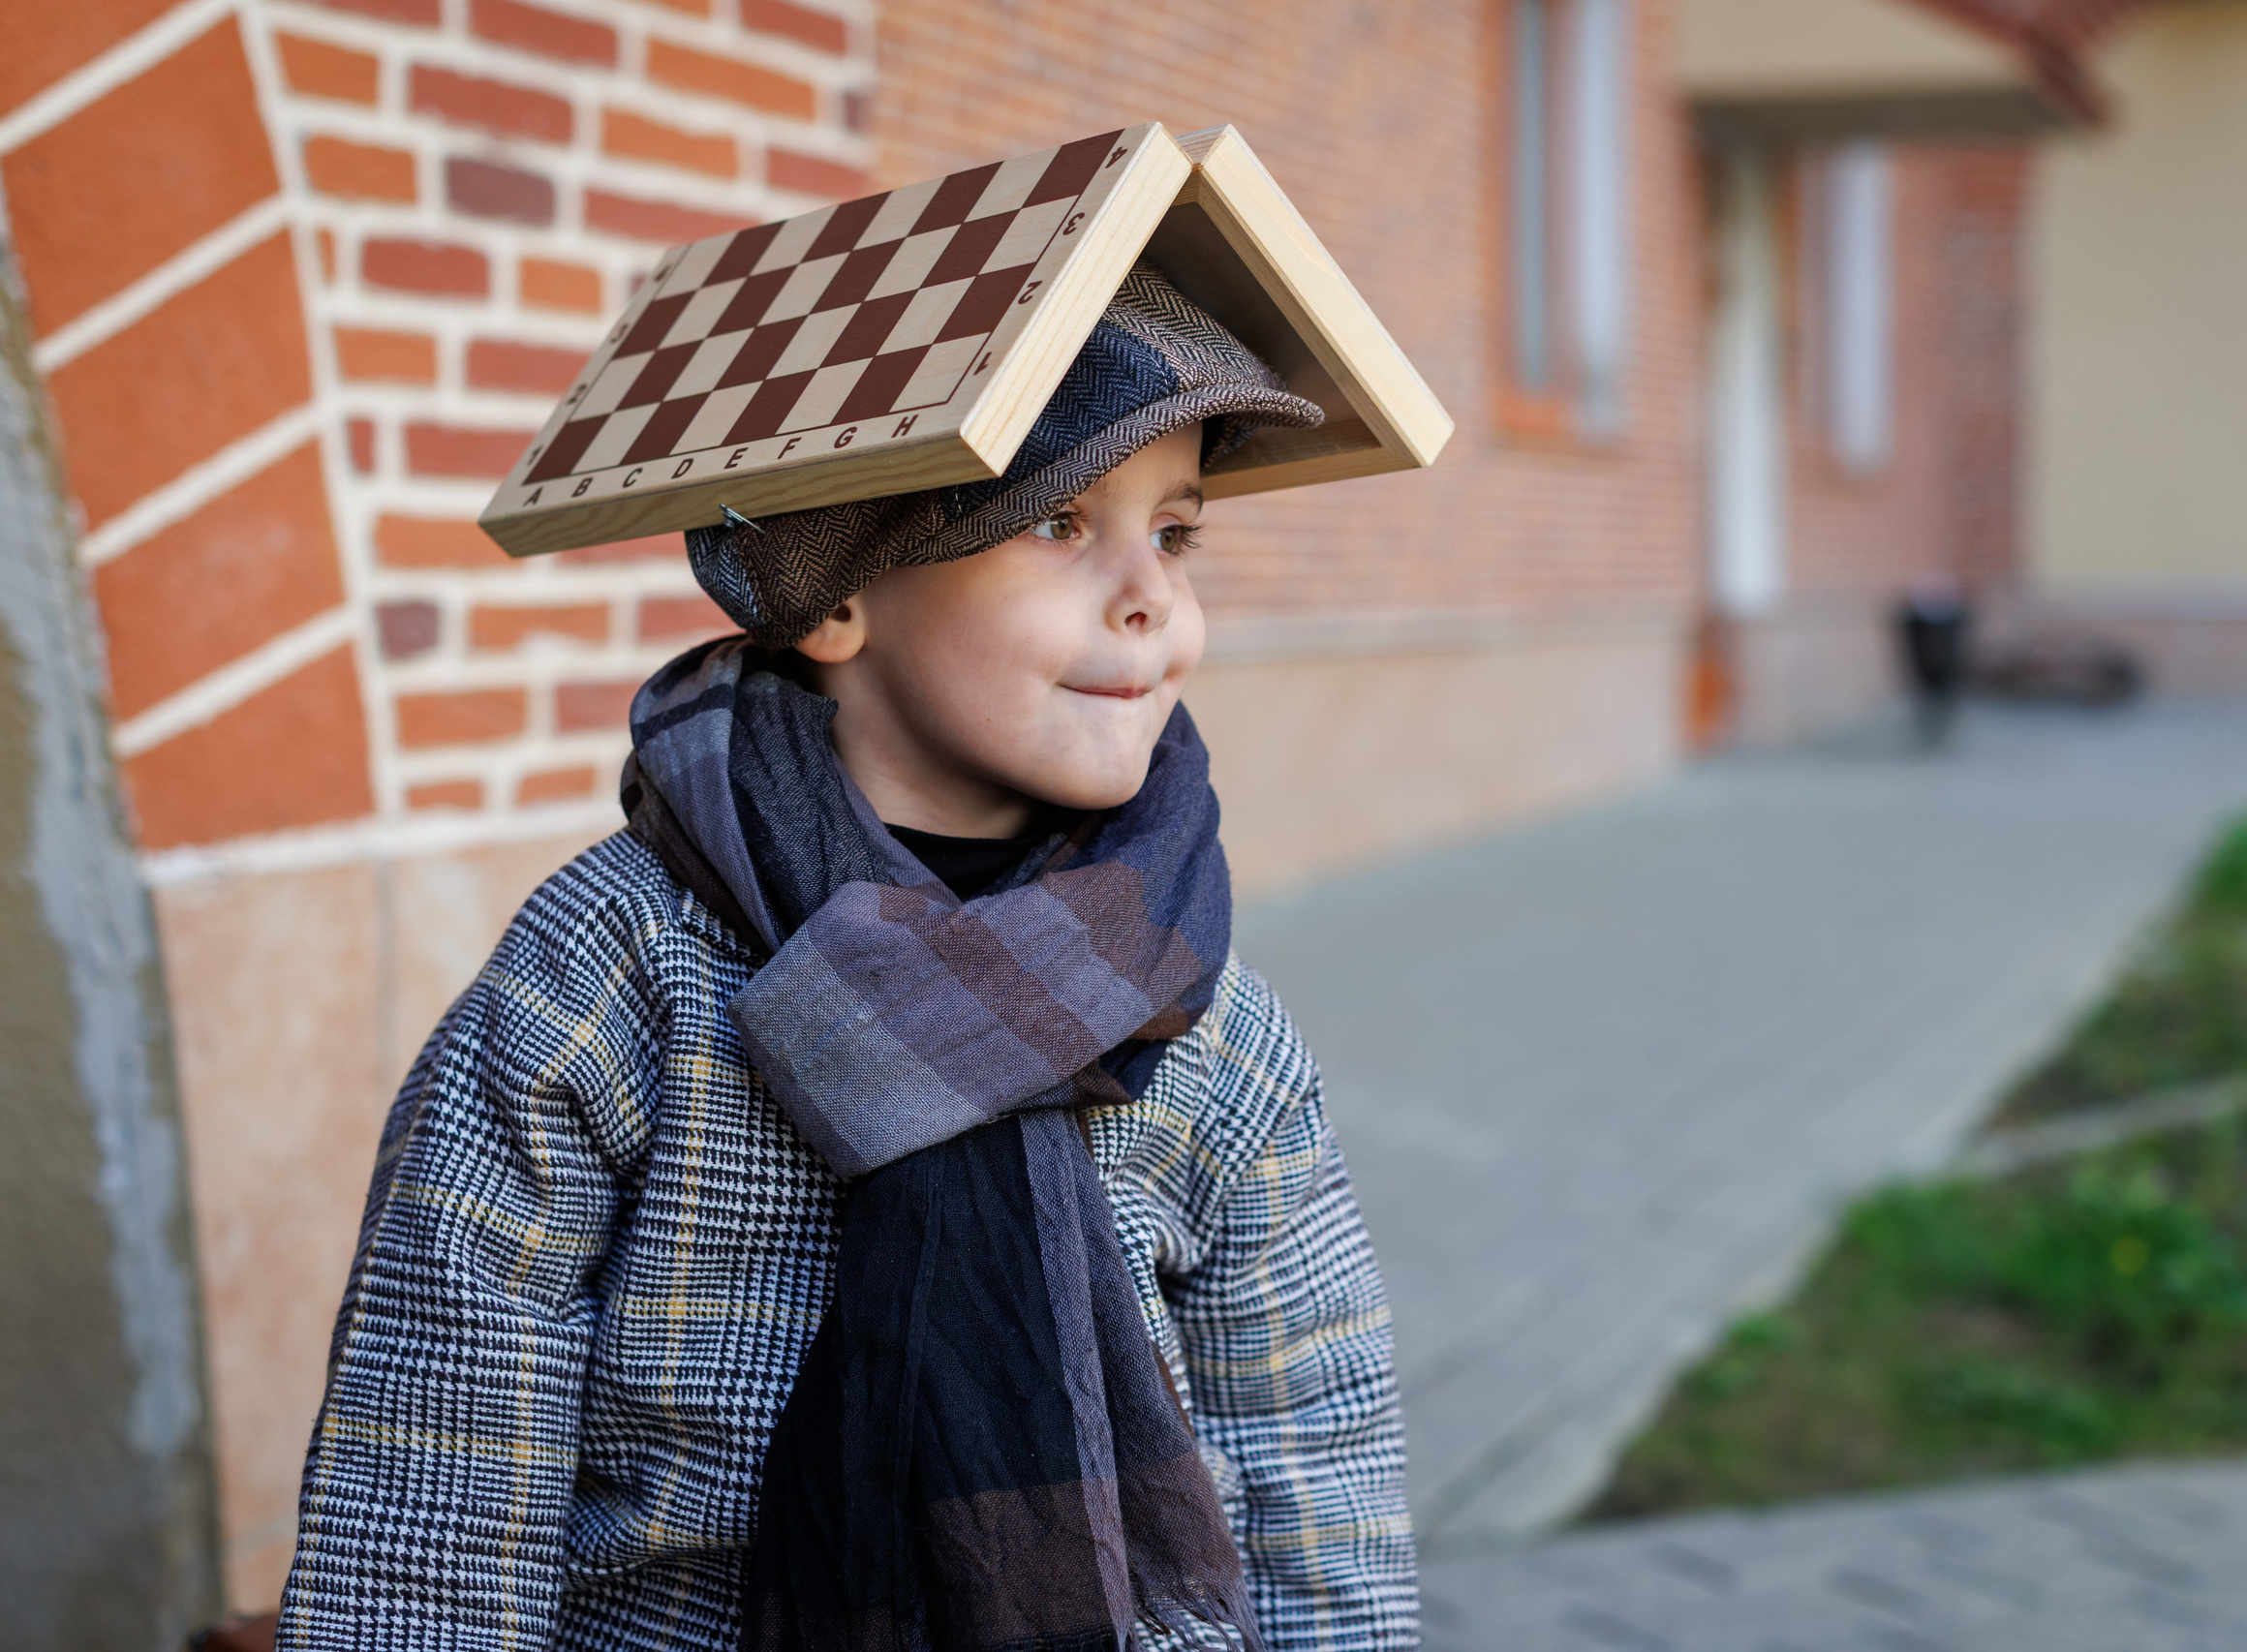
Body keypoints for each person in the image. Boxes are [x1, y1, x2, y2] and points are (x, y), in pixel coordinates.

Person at [276, 266, 1415, 1650]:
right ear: (835, 597)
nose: (1148, 599)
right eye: (1063, 520)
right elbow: (432, 1477)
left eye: (1175, 533)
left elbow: (1318, 1465)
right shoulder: (613, 974)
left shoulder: (1203, 1011)